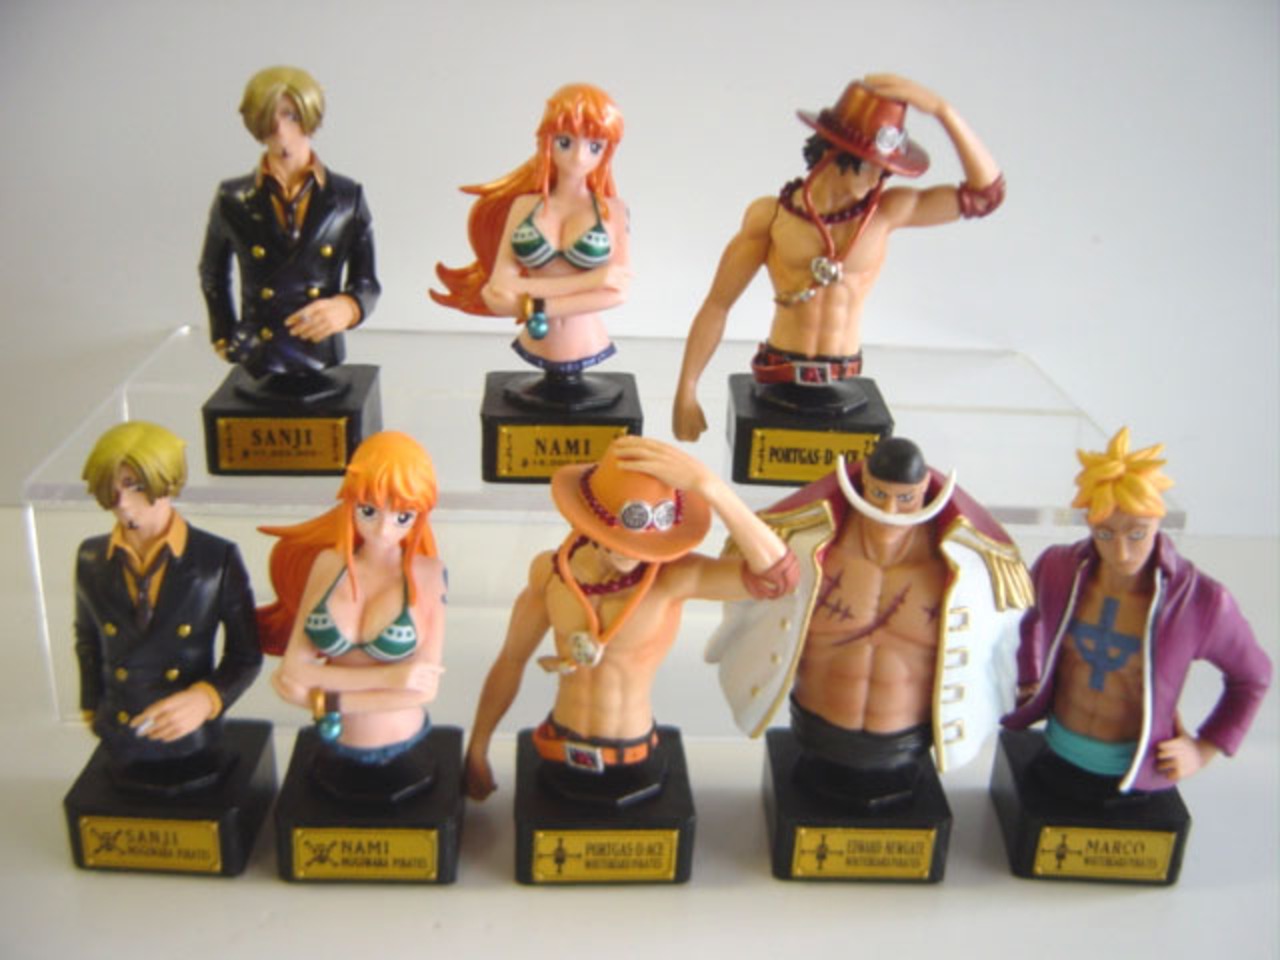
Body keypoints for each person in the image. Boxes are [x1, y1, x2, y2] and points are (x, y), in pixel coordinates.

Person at [464, 436, 797, 801]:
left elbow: (778, 578)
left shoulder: (673, 578)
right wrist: (478, 746)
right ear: (592, 521)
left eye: (645, 541)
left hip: (635, 763)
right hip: (559, 750)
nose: (633, 551)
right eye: (621, 539)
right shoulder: (551, 572)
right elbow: (511, 660)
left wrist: (711, 487)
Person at [673, 74, 1004, 439]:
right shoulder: (772, 215)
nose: (879, 178)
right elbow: (718, 304)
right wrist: (687, 388)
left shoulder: (885, 213)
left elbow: (986, 196)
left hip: (845, 389)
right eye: (871, 164)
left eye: (886, 169)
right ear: (834, 153)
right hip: (779, 380)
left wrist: (944, 112)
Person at [709, 437, 1031, 806]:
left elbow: (1008, 638)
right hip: (816, 730)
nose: (890, 510)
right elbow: (738, 581)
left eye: (905, 498)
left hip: (907, 742)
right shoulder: (803, 546)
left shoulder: (973, 571)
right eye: (879, 494)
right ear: (862, 483)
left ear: (925, 490)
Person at [1002, 428, 1271, 801]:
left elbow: (1252, 676)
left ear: (1158, 521)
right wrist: (1029, 679)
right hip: (1057, 752)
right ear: (1089, 523)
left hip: (1134, 769)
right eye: (1105, 534)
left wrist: (1203, 748)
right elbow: (1025, 621)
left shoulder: (1200, 601)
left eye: (1137, 534)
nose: (1122, 552)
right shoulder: (1058, 569)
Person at [259, 431, 446, 798]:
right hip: (333, 745)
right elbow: (294, 669)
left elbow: (422, 690)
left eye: (402, 516)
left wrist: (319, 699)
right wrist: (391, 677)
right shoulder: (328, 565)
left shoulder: (430, 574)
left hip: (401, 739)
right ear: (350, 502)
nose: (383, 529)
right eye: (369, 511)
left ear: (419, 516)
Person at [75, 422, 261, 789]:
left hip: (189, 734)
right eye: (112, 486)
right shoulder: (91, 557)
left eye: (134, 485)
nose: (121, 501)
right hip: (122, 727)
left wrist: (206, 699)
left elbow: (245, 654)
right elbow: (87, 639)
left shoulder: (215, 559)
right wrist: (91, 705)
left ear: (167, 479)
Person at [432, 83, 630, 408]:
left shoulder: (614, 211)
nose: (579, 156)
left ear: (607, 150)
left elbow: (618, 292)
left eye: (594, 146)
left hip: (586, 339)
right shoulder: (525, 207)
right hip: (537, 342)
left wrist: (532, 305)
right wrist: (592, 280)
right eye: (565, 142)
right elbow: (500, 282)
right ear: (547, 141)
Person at [199, 65, 380, 388]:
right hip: (259, 348)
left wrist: (348, 307)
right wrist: (223, 334)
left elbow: (366, 281)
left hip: (319, 347)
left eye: (291, 116)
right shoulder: (232, 198)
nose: (281, 130)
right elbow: (212, 272)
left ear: (310, 115)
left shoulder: (346, 197)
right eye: (269, 117)